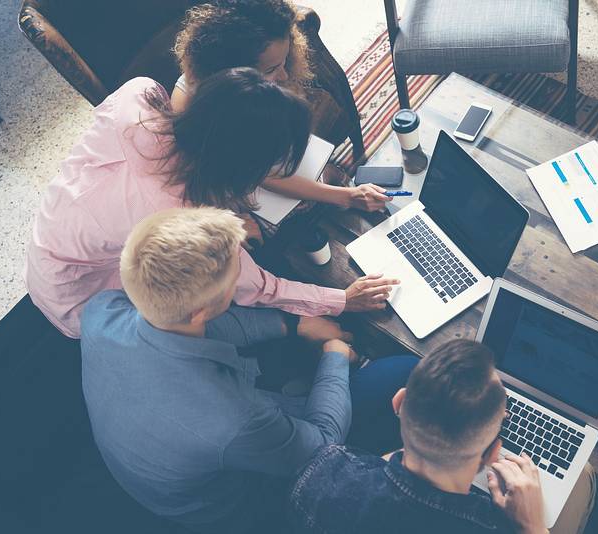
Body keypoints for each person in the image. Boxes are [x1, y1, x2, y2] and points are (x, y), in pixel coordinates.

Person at [80, 206, 417, 534]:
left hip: (163, 446)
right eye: (235, 277)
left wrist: (293, 323)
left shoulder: (99, 310)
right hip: (239, 506)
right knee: (404, 369)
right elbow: (324, 444)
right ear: (202, 309)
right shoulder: (234, 419)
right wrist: (335, 354)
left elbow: (199, 324)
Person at [25, 67, 397, 339]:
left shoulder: (140, 93)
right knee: (210, 303)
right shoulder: (186, 221)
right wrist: (343, 299)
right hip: (83, 301)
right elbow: (257, 287)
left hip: (49, 240)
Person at [288, 339, 596, 534]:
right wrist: (533, 527)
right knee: (584, 476)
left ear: (399, 402)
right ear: (492, 456)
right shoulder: (497, 525)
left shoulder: (324, 469)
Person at [172, 0, 390, 220]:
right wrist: (346, 196)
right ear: (234, 72)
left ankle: (321, 176)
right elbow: (262, 174)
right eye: (272, 69)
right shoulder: (197, 110)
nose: (285, 76)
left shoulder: (253, 89)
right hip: (241, 177)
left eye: (285, 60)